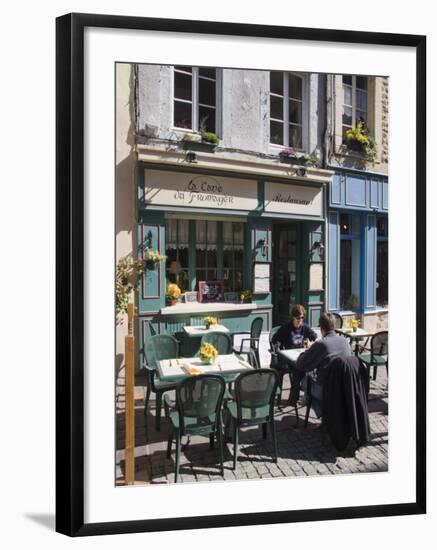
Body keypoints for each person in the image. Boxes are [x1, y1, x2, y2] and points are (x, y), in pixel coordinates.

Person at [293, 312, 352, 411]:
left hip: (326, 390)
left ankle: (324, 413)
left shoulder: (321, 344)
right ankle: (329, 415)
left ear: (321, 328)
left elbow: (301, 364)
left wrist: (306, 352)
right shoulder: (345, 341)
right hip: (344, 388)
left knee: (304, 381)